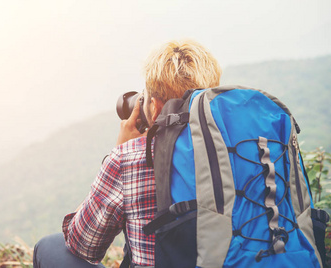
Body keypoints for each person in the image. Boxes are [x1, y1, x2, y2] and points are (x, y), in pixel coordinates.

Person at [33, 39, 222, 268]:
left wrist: (118, 151)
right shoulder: (245, 149)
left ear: (156, 107)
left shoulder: (129, 158)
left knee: (50, 247)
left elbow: (82, 243)